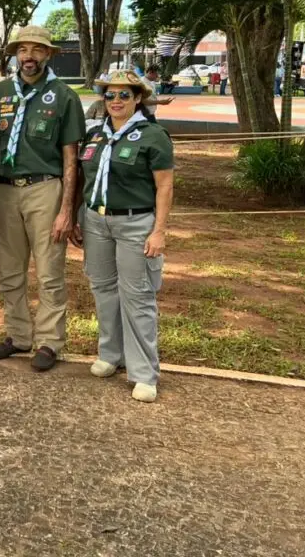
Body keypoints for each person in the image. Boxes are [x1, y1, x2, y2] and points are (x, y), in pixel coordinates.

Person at [0, 25, 85, 372]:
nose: (29, 56)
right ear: (14, 54)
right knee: (9, 270)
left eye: (37, 50)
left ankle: (49, 341)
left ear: (49, 54)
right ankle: (18, 335)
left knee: (49, 271)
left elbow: (71, 157)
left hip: (45, 190)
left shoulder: (64, 96)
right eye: (23, 50)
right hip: (5, 190)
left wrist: (67, 209)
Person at [71, 70, 174, 403]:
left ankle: (143, 372)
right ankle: (111, 353)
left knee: (138, 295)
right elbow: (84, 180)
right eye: (110, 95)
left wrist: (159, 231)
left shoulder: (153, 135)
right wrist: (77, 218)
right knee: (103, 288)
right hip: (96, 221)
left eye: (124, 95)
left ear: (138, 98)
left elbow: (164, 186)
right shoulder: (95, 135)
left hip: (135, 223)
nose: (115, 101)